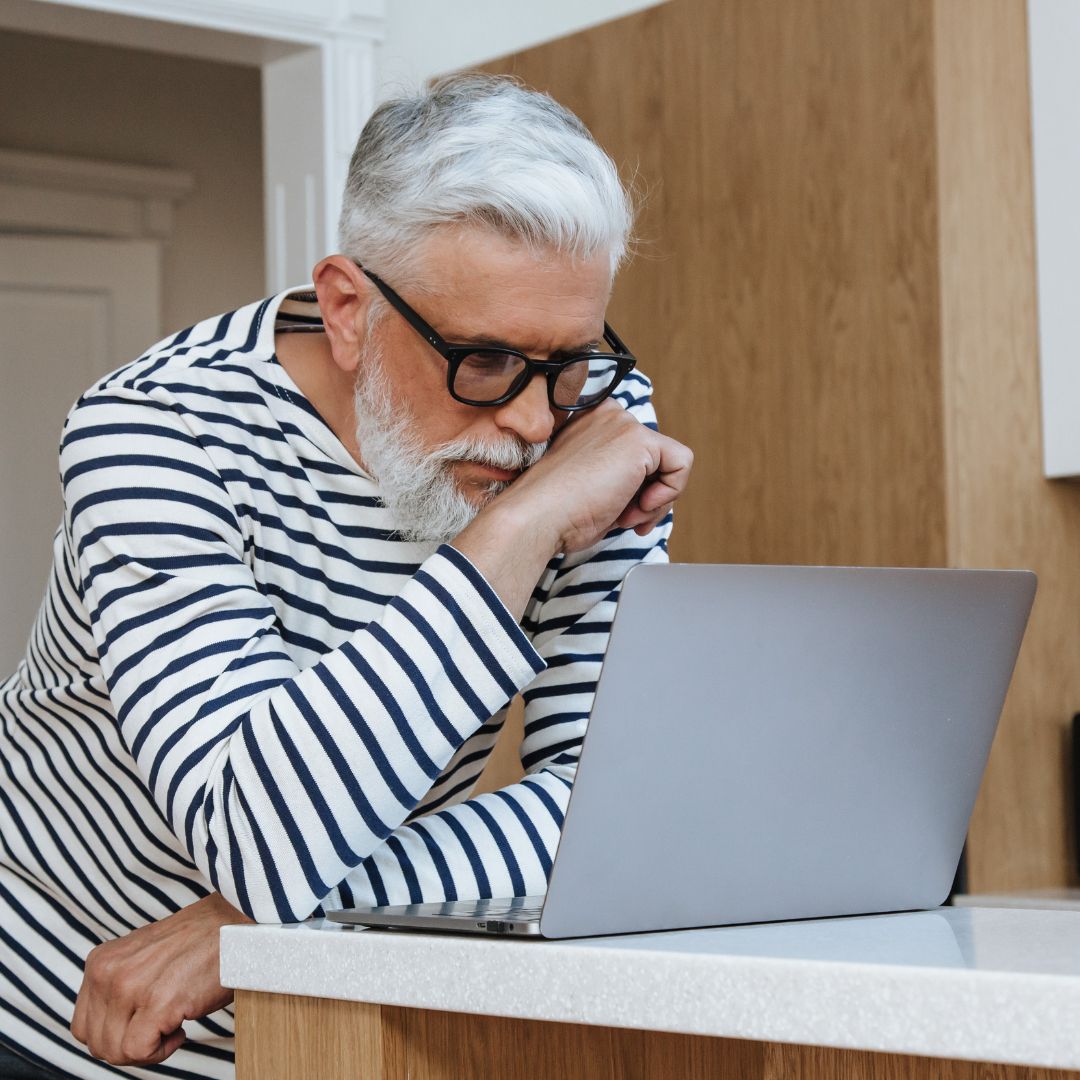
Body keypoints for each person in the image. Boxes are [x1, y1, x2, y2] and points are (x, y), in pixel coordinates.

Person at [0, 73, 692, 1078]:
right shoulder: (154, 435)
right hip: (52, 1003)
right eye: (485, 361)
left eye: (571, 361)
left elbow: (620, 809)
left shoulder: (592, 422)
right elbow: (261, 837)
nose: (537, 422)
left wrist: (236, 932)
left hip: (334, 1011)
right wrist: (526, 523)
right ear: (348, 308)